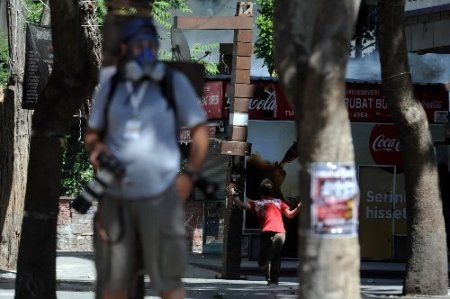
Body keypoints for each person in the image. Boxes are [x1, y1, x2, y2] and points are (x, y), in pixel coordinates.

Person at [84, 17, 209, 299]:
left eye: (151, 45)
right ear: (126, 48)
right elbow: (92, 135)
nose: (146, 51)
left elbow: (201, 131)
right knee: (113, 283)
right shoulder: (111, 84)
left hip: (161, 197)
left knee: (169, 283)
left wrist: (189, 176)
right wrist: (97, 152)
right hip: (117, 196)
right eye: (139, 44)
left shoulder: (172, 82)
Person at [226, 178, 301, 285]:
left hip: (278, 233)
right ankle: (269, 274)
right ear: (272, 190)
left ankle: (273, 280)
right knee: (262, 260)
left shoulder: (258, 203)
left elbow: (241, 205)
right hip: (270, 233)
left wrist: (233, 194)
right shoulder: (273, 202)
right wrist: (299, 207)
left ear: (261, 190)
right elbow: (290, 214)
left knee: (275, 255)